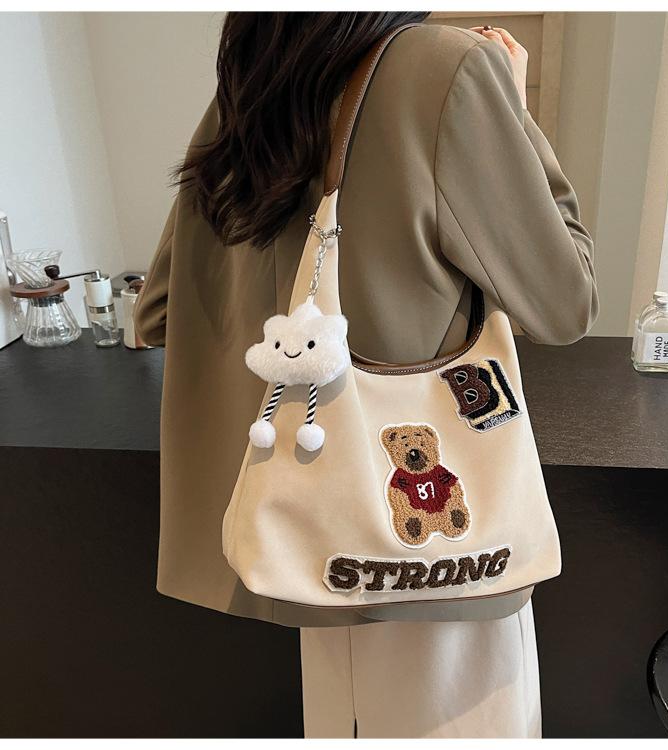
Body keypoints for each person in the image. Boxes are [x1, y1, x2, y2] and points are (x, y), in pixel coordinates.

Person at [135, 12, 597, 739]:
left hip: (306, 535)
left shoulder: (255, 81)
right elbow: (565, 303)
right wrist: (512, 110)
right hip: (440, 566)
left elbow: (159, 310)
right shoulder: (448, 67)